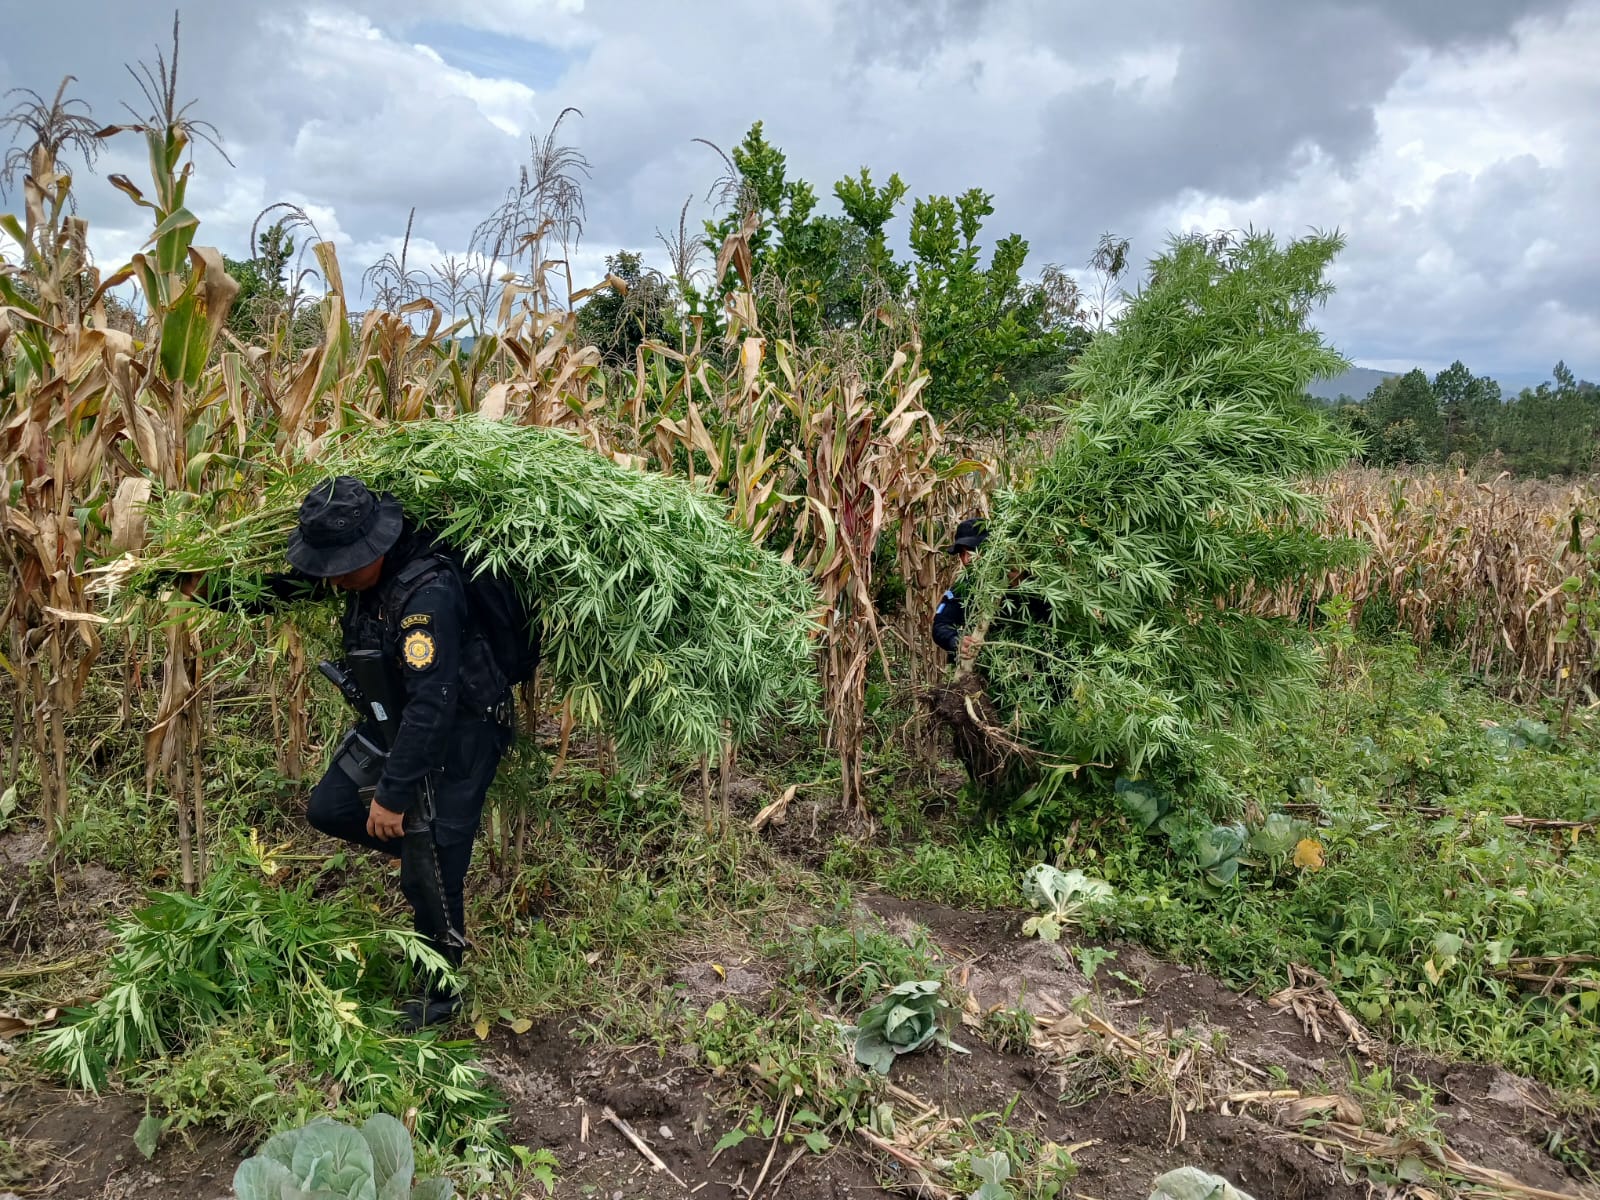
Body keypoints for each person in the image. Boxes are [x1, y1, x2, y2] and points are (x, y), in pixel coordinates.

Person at [188, 477, 514, 1030]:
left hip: (460, 729)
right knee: (331, 808)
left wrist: (392, 797)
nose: (331, 576)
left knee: (432, 852)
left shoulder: (426, 598)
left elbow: (432, 708)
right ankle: (431, 861)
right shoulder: (356, 575)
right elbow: (283, 592)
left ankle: (442, 994)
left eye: (342, 563)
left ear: (377, 547)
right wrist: (203, 588)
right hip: (394, 721)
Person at [932, 517, 987, 663]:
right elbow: (940, 625)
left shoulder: (1017, 582)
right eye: (962, 553)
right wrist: (957, 641)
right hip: (975, 668)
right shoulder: (959, 589)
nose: (966, 560)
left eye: (971, 551)